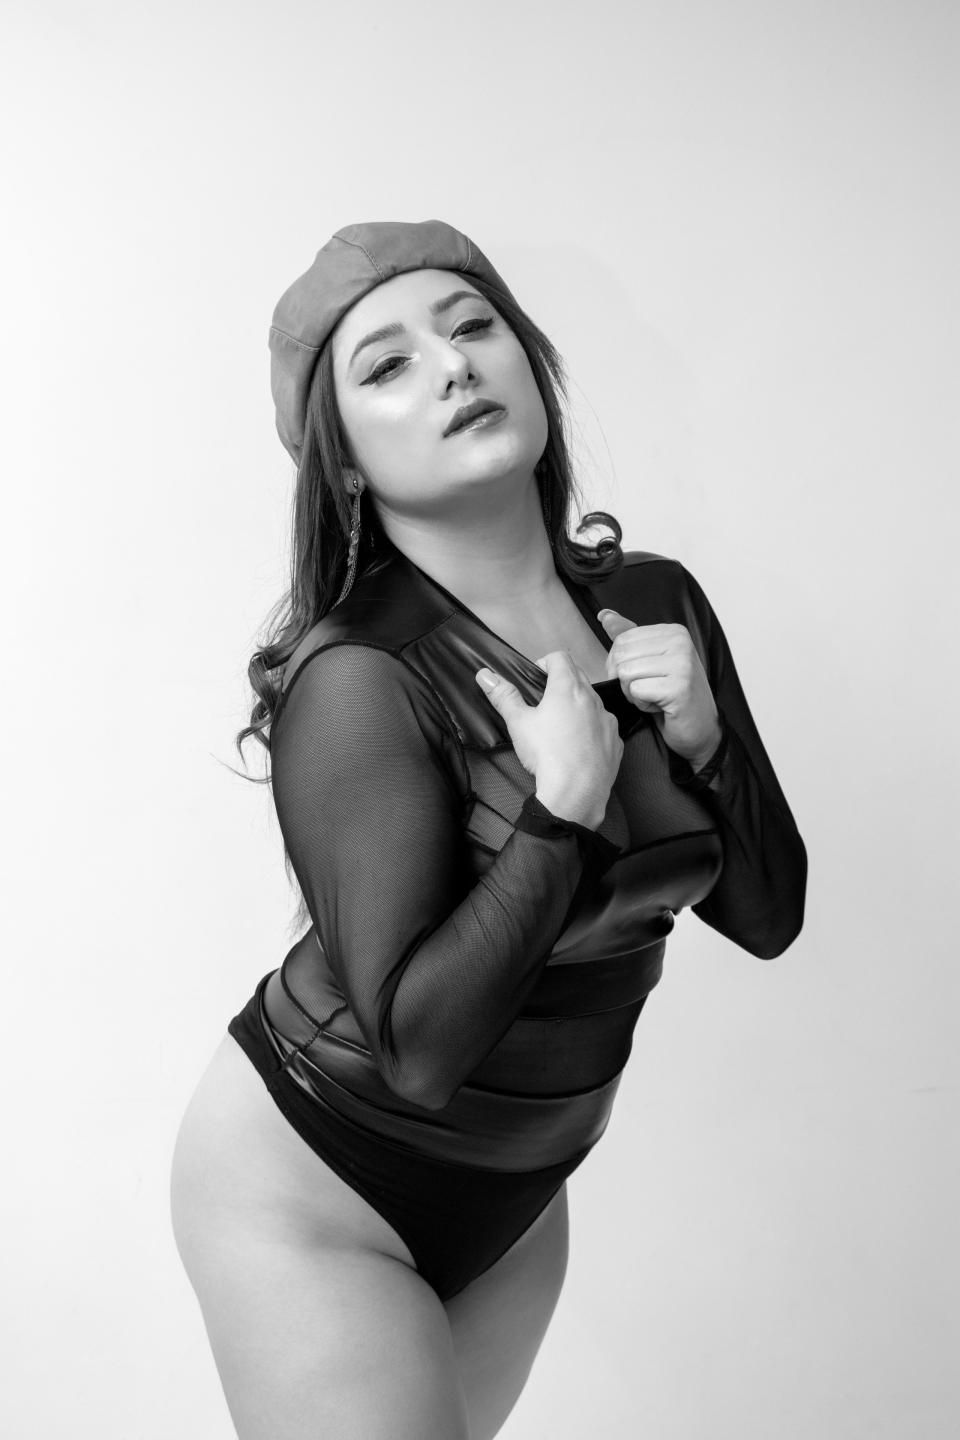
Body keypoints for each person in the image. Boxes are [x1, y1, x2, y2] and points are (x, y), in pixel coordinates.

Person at [169, 219, 807, 1440]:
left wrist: (705, 744)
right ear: (345, 465)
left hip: (522, 1189)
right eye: (388, 365)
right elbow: (417, 1052)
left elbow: (769, 917)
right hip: (317, 1186)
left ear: (532, 367)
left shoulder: (651, 602)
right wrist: (558, 817)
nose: (454, 364)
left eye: (474, 328)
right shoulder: (359, 678)